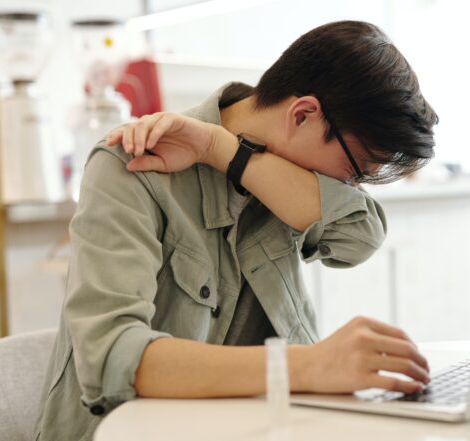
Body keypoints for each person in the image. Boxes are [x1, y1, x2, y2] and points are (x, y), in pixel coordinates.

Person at [34, 20, 438, 440]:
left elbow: (359, 235)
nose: (348, 190)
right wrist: (310, 365)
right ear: (302, 115)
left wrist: (223, 150)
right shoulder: (133, 164)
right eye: (354, 172)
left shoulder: (280, 172)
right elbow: (112, 357)